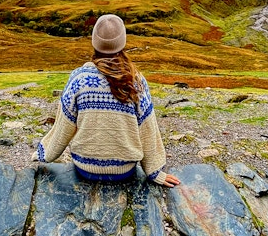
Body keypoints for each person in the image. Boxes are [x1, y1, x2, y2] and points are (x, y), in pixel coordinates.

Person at [32, 14, 180, 187]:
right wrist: (154, 172)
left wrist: (44, 154)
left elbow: (63, 126)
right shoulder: (136, 81)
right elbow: (147, 128)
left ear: (95, 42)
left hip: (85, 167)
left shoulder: (78, 78)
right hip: (124, 171)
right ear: (122, 43)